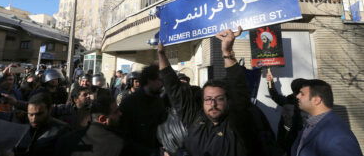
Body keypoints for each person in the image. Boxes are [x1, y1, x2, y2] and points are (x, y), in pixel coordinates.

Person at [158, 26, 271, 156]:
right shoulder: (194, 119)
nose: (213, 104)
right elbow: (173, 88)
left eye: (219, 98)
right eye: (208, 99)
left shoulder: (237, 123)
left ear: (228, 100)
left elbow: (237, 87)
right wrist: (161, 54)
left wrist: (227, 52)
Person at [291, 79, 362, 156]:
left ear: (316, 100)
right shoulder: (311, 123)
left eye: (302, 94)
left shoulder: (338, 135)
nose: (297, 96)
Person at [55, 90, 124, 156]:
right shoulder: (119, 144)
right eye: (116, 112)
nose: (120, 114)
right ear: (102, 119)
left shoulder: (65, 140)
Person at [119, 65, 167, 156]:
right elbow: (123, 136)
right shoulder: (129, 103)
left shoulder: (159, 101)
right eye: (160, 80)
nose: (162, 84)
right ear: (149, 80)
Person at [266, 71, 307, 156]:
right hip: (287, 137)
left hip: (297, 138)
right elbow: (275, 96)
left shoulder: (306, 102)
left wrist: (271, 82)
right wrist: (270, 82)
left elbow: (275, 96)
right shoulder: (289, 100)